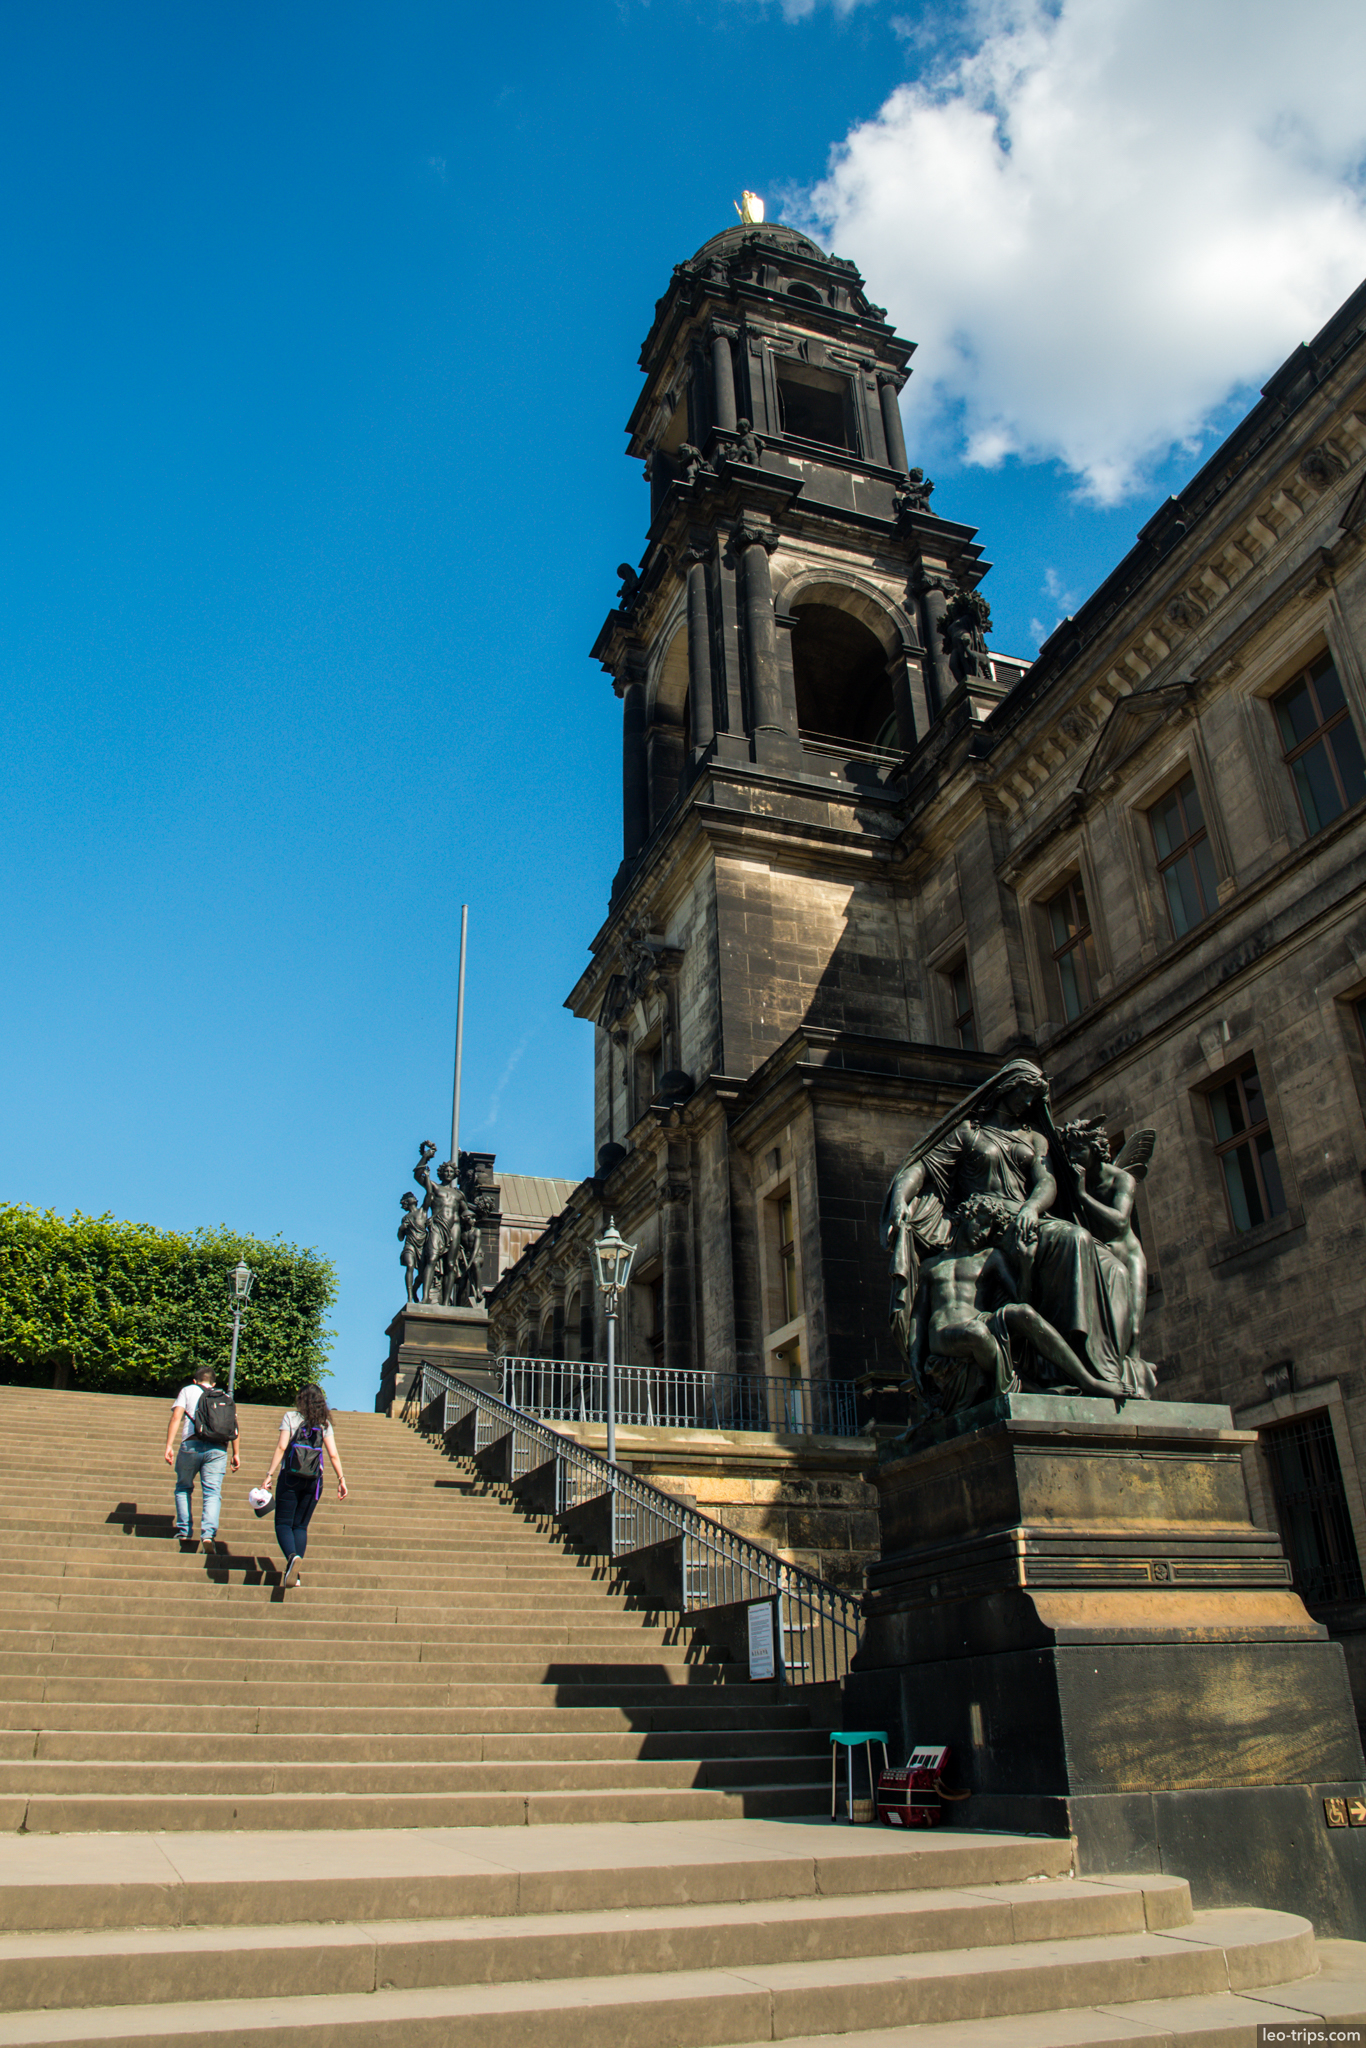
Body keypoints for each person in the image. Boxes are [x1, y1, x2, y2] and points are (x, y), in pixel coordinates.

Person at [261, 1384, 347, 1589]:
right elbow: (333, 1454)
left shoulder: (291, 1418)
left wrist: (269, 1475)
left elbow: (282, 1447)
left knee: (283, 1523)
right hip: (314, 1481)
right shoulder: (324, 1424)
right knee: (300, 1526)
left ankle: (291, 1558)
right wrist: (341, 1479)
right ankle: (296, 1575)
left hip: (290, 1477)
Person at [163, 1365, 240, 1549]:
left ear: (195, 1381)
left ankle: (184, 1531)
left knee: (183, 1487)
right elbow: (234, 1427)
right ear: (214, 1383)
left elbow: (176, 1417)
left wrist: (169, 1445)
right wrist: (236, 1453)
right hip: (218, 1449)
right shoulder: (225, 1397)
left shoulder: (187, 1391)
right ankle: (208, 1535)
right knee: (212, 1492)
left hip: (191, 1444)